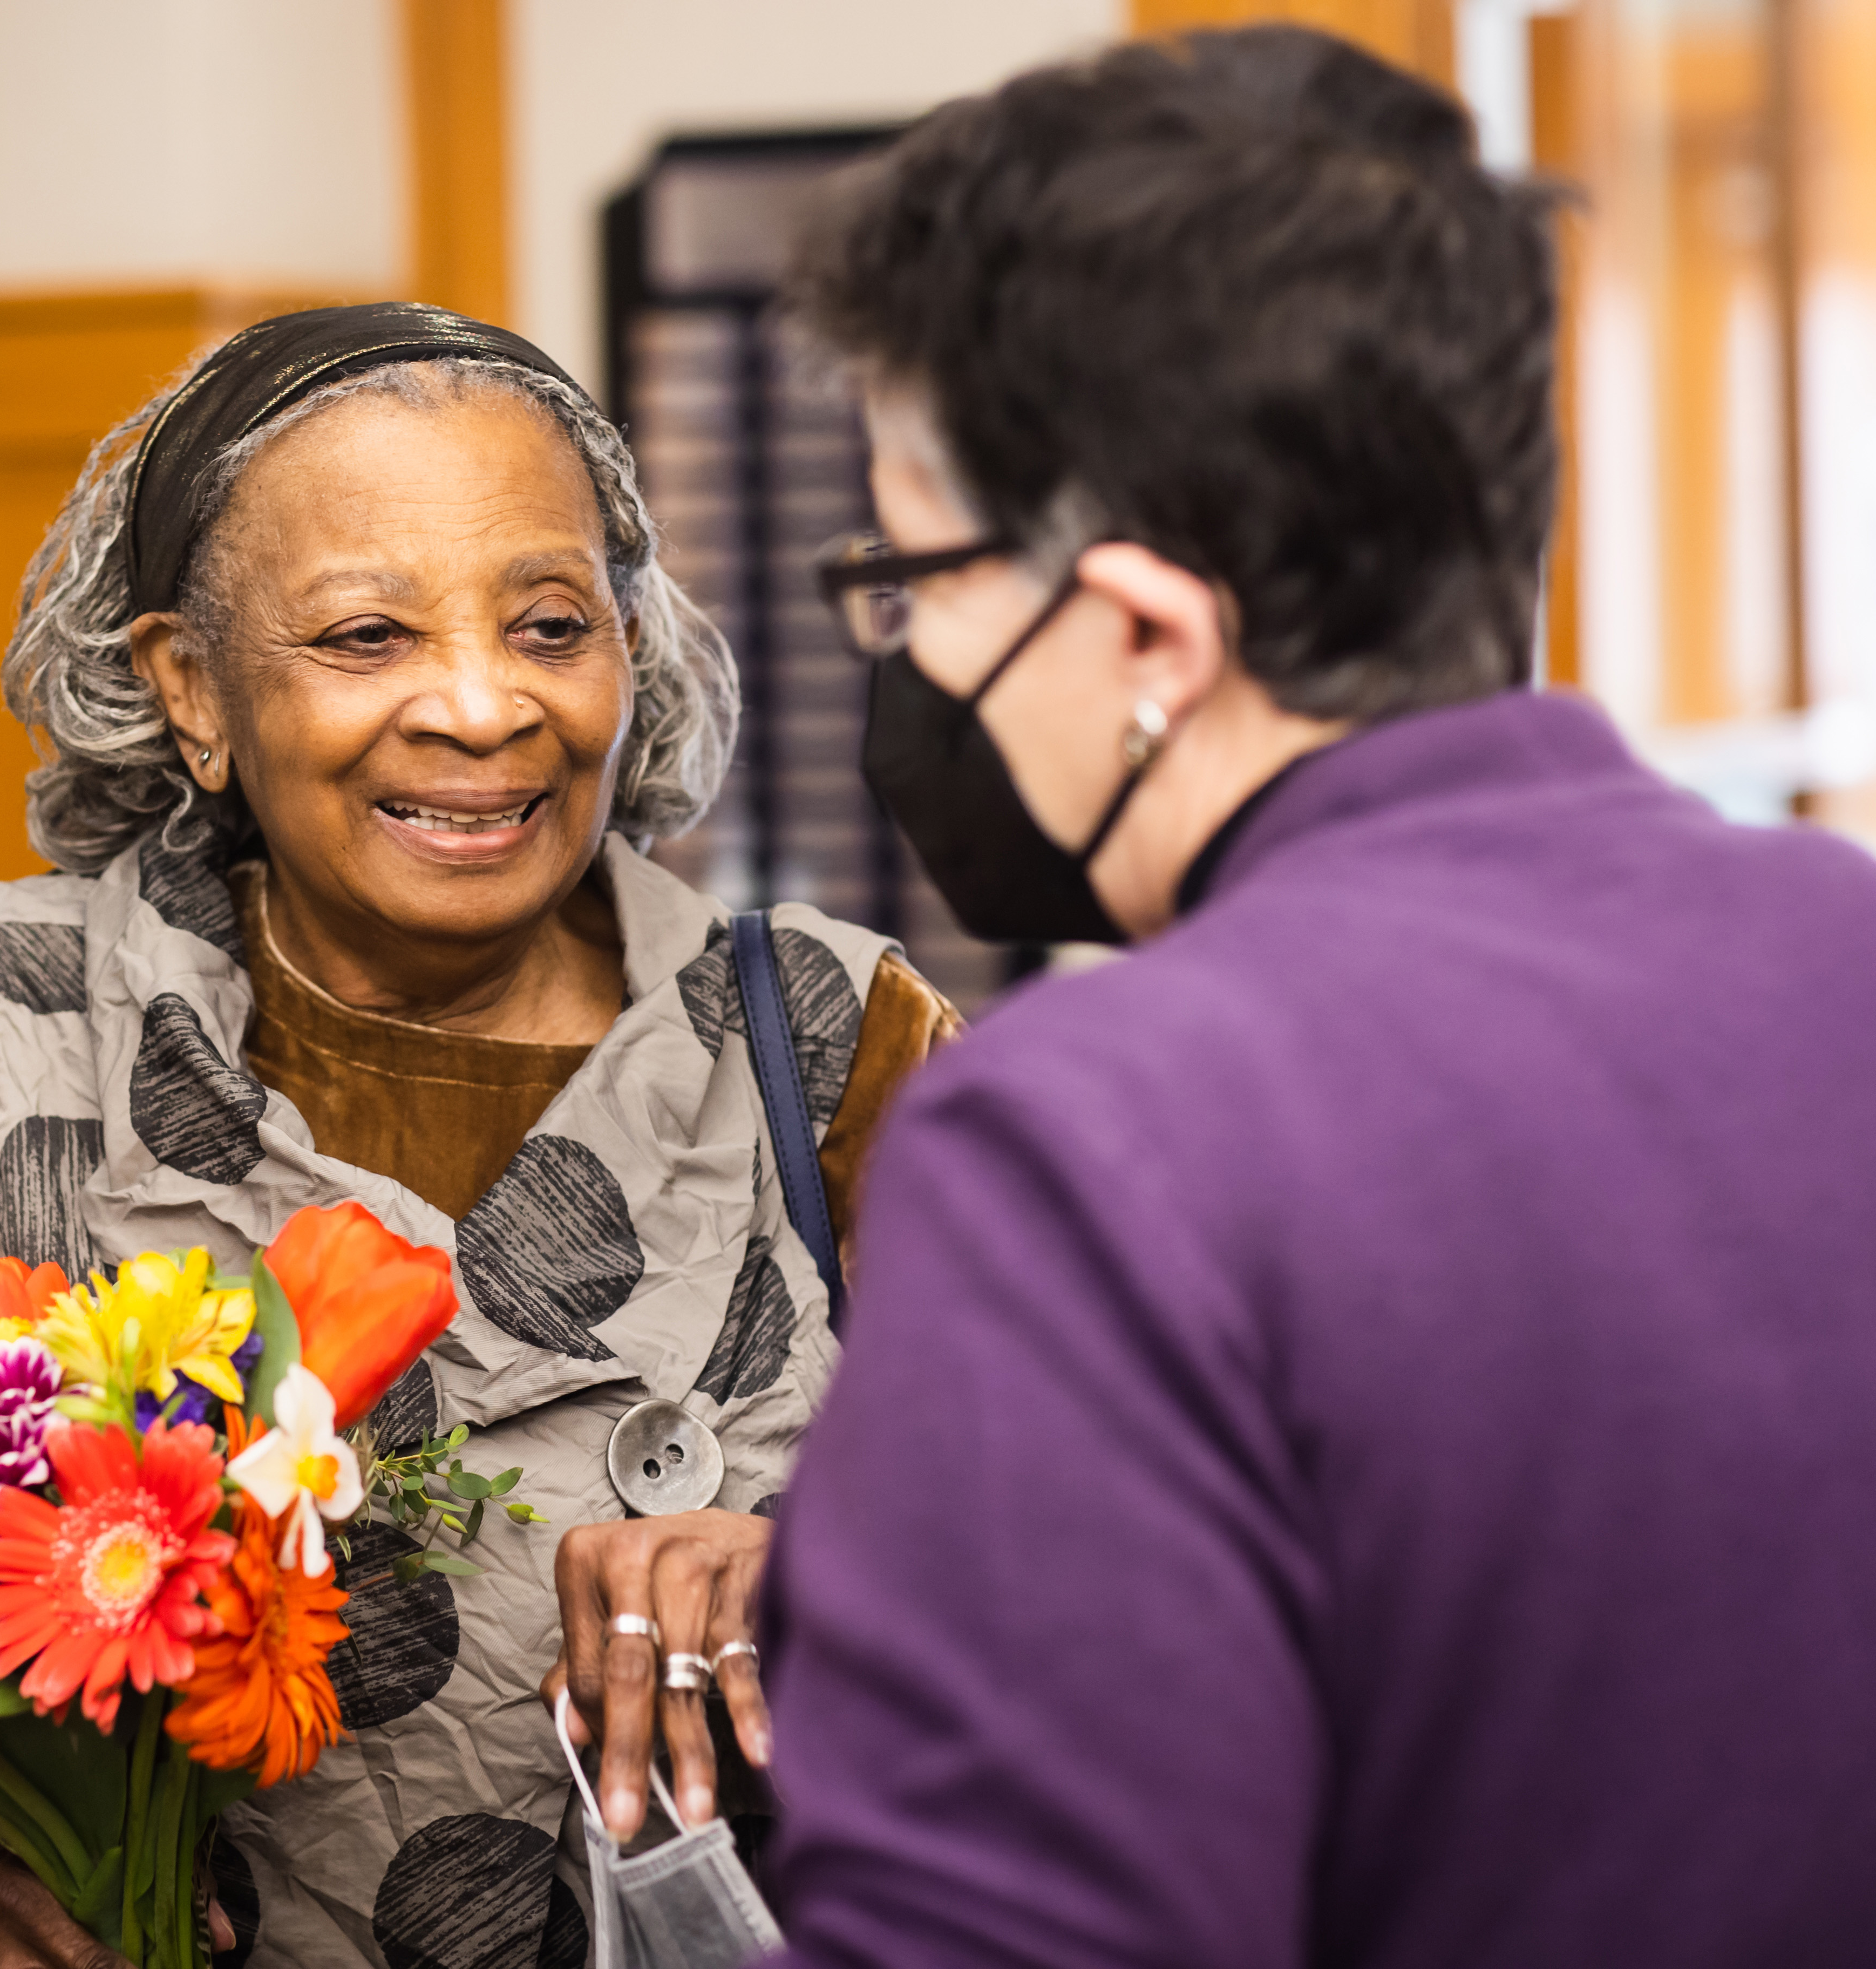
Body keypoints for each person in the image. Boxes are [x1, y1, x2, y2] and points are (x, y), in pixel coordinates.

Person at [706, 25, 1876, 1969]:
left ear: (1149, 630)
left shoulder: (1096, 1141)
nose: (903, 654)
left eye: (913, 582)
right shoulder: (1841, 941)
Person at [0, 302, 959, 1969]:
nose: (486, 710)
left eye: (551, 624)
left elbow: (1082, 1581)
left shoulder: (834, 1040)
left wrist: (825, 1576)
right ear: (189, 689)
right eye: (365, 638)